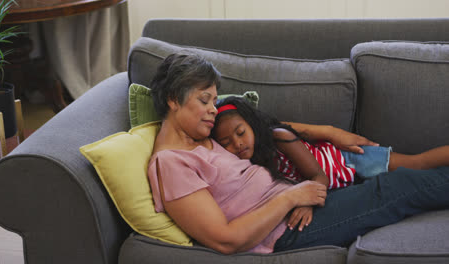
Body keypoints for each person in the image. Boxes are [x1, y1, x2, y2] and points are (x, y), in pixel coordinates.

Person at [147, 53, 449, 254]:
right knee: (397, 188)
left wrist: (328, 132)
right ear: (174, 99)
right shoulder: (172, 163)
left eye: (214, 100)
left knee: (394, 184)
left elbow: (266, 127)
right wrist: (291, 197)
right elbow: (226, 240)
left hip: (298, 206)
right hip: (288, 230)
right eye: (205, 100)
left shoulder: (199, 136)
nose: (213, 109)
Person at [211, 96, 449, 232]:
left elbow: (318, 175)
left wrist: (307, 203)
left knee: (418, 164)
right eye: (226, 143)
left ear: (252, 125)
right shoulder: (246, 161)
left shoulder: (278, 137)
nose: (238, 144)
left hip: (351, 160)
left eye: (241, 132)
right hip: (346, 187)